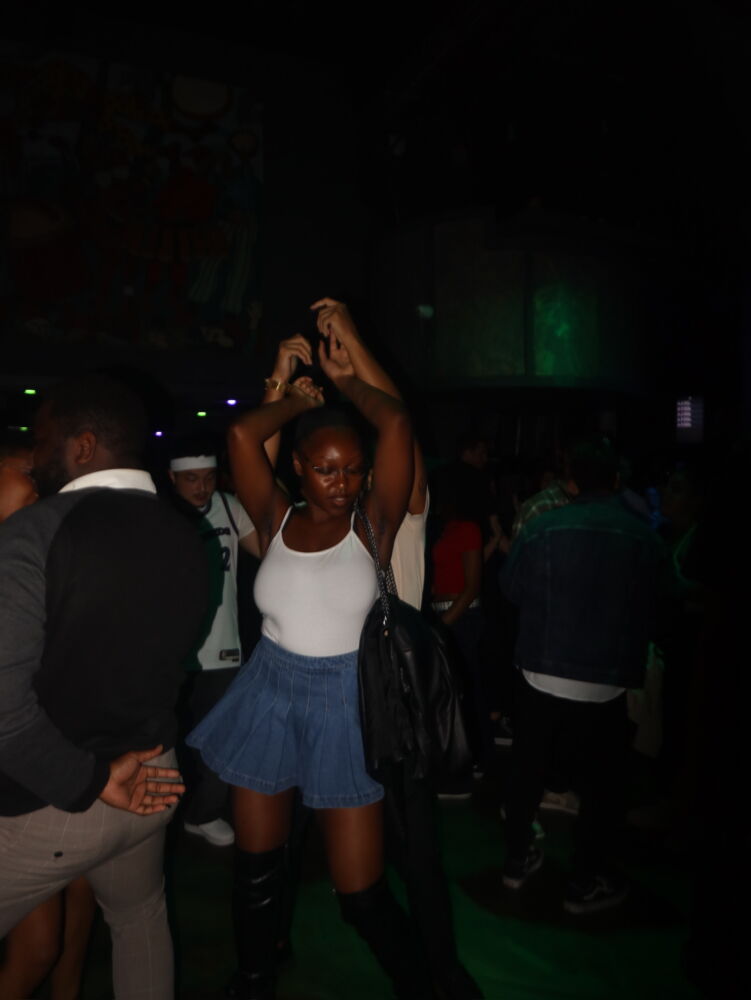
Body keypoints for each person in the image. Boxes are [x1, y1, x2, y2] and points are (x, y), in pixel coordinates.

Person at [187, 307, 433, 999]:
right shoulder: (275, 516)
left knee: (359, 891)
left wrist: (344, 381)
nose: (341, 482)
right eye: (325, 470)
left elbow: (396, 425)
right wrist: (292, 397)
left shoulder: (374, 523)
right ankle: (254, 980)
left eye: (352, 470)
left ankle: (424, 985)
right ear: (298, 469)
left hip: (343, 702)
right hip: (268, 691)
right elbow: (241, 434)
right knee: (257, 869)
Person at [0, 375, 208, 998]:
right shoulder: (188, 536)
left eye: (42, 441)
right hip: (153, 780)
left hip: (63, 801)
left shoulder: (34, 533)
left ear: (83, 446)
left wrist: (88, 780)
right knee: (140, 922)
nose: (36, 456)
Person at [500, 436, 677, 914]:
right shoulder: (643, 536)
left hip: (541, 669)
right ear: (616, 482)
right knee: (602, 783)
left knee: (528, 769)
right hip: (607, 677)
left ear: (571, 482)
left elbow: (511, 588)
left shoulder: (542, 528)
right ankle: (584, 881)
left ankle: (516, 860)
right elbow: (663, 601)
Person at [168, 437, 260, 848]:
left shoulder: (228, 506)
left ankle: (203, 813)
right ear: (172, 478)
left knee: (224, 737)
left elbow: (268, 550)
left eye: (208, 477)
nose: (202, 487)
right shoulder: (160, 514)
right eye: (191, 479)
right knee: (170, 741)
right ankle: (167, 815)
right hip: (171, 653)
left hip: (223, 648)